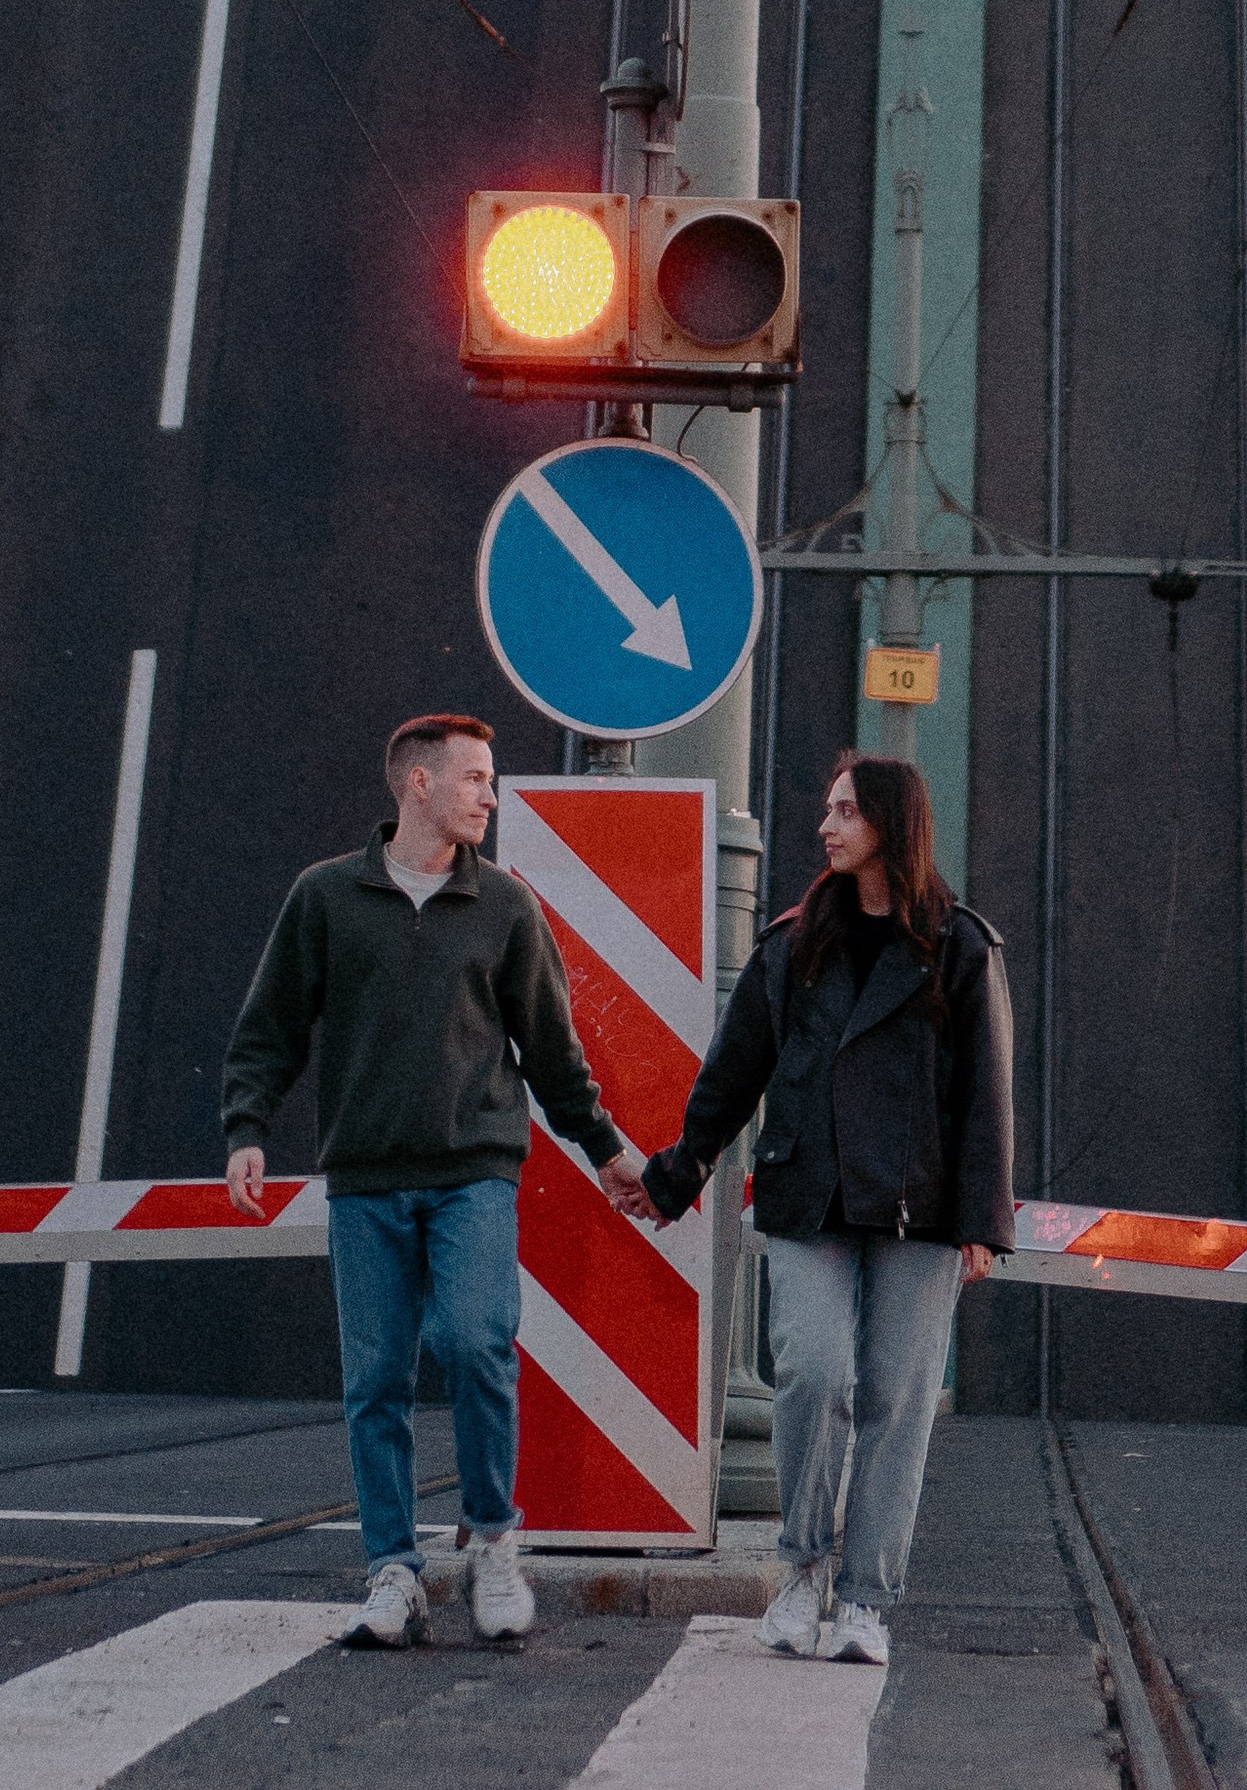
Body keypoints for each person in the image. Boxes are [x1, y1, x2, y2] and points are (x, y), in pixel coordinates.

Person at [223, 713, 646, 1649]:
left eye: (489, 780)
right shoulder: (324, 898)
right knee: (374, 1378)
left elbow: (553, 1051)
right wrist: (247, 1129)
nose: (491, 796)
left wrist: (606, 1147)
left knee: (475, 1343)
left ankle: (493, 1542)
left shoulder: (506, 907)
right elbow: (271, 1028)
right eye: (476, 779)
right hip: (366, 1180)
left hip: (473, 1176)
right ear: (418, 785)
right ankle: (394, 1573)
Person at [630, 751, 1015, 1670]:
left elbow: (985, 1095)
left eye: (844, 811)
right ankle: (802, 1570)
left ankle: (868, 1600)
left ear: (890, 823)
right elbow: (733, 1074)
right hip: (810, 1194)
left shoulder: (960, 947)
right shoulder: (794, 944)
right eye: (828, 808)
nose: (825, 826)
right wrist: (675, 1175)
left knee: (896, 1397)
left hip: (917, 1207)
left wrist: (980, 1221)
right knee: (813, 1373)